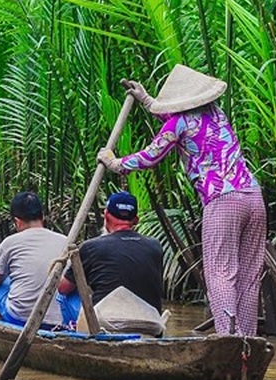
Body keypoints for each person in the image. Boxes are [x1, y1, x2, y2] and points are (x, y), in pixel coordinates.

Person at [97, 64, 266, 336]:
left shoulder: (178, 124)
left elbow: (151, 155)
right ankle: (247, 339)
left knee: (220, 273)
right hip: (253, 198)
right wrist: (146, 100)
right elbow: (178, 122)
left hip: (222, 200)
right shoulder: (218, 114)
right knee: (248, 275)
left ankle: (228, 340)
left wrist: (115, 163)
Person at [58, 191, 166, 335]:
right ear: (136, 220)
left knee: (64, 294)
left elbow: (63, 288)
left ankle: (72, 332)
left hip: (105, 325)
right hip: (151, 323)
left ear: (106, 216)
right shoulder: (155, 246)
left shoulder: (91, 247)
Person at [0, 192, 70, 327]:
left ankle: (4, 329)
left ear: (17, 221)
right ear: (43, 217)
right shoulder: (66, 241)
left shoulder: (10, 242)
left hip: (20, 319)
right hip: (58, 321)